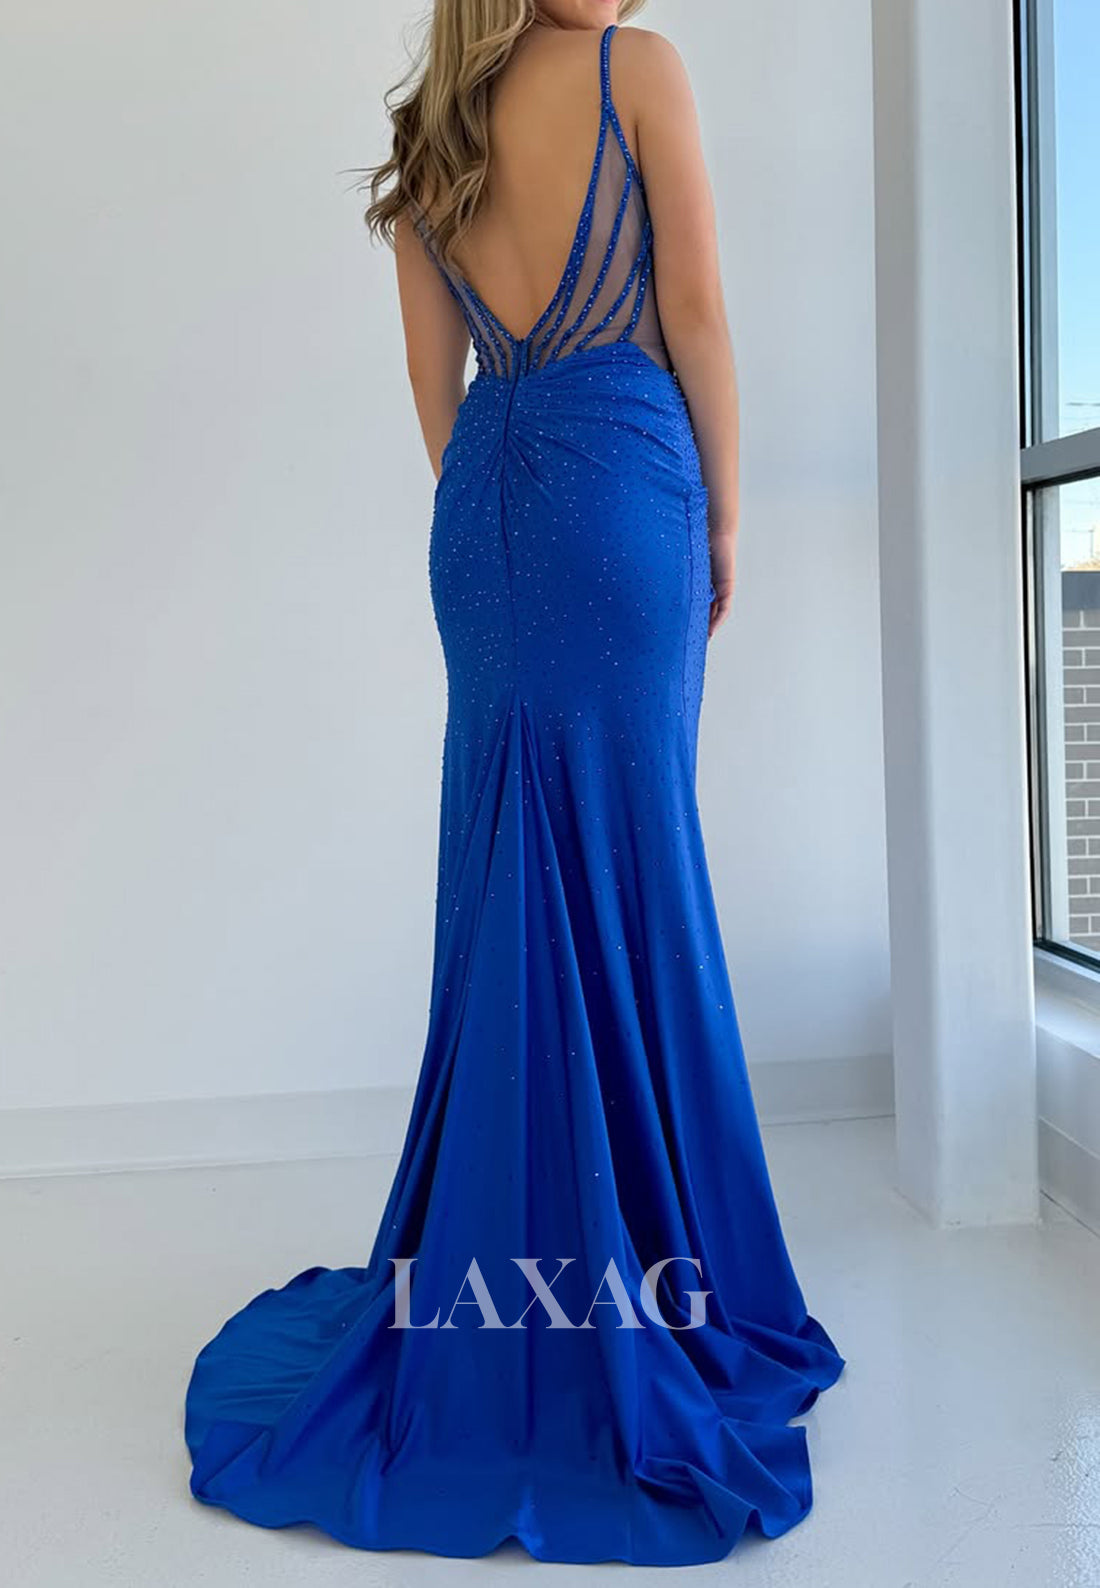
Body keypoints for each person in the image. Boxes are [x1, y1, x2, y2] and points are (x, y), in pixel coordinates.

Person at [183, 1, 846, 1566]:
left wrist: (509, 496)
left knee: (507, 881)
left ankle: (502, 1296)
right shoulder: (638, 70)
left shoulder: (428, 132)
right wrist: (723, 517)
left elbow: (439, 399)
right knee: (635, 867)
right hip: (627, 487)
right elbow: (696, 311)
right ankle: (661, 1275)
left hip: (489, 509)